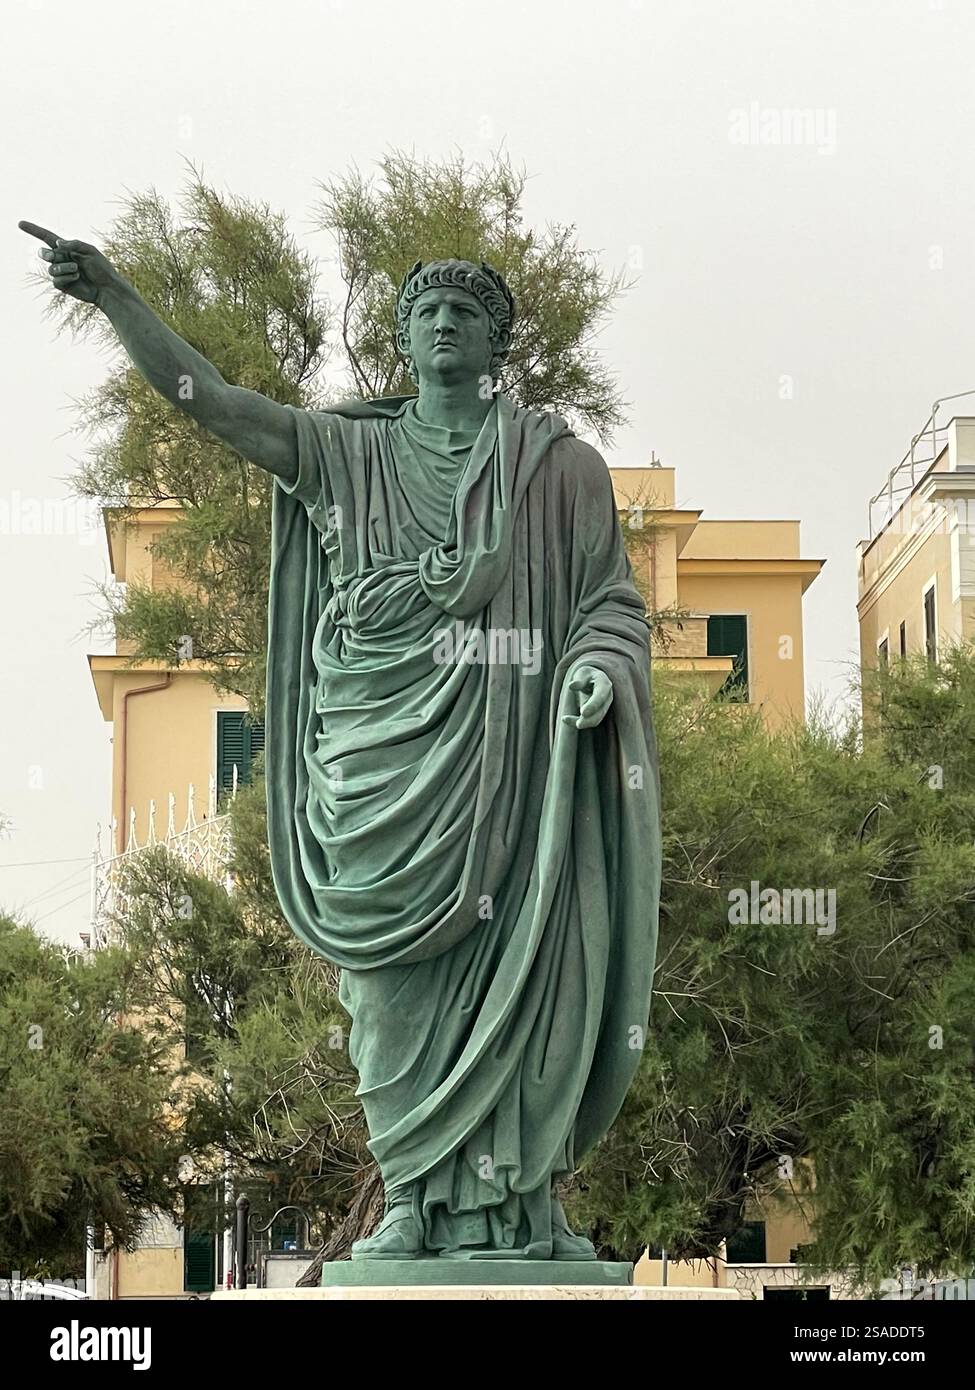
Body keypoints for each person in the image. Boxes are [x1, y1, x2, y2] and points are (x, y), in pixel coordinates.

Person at [22, 222, 661, 1262]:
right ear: (404, 340)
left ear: (498, 343)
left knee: (521, 965)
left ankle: (515, 1204)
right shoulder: (344, 449)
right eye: (427, 312)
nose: (446, 323)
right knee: (386, 993)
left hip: (508, 770)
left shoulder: (560, 470)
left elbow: (611, 603)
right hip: (377, 767)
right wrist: (116, 299)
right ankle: (411, 1193)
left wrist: (596, 664)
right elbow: (216, 405)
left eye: (467, 313)